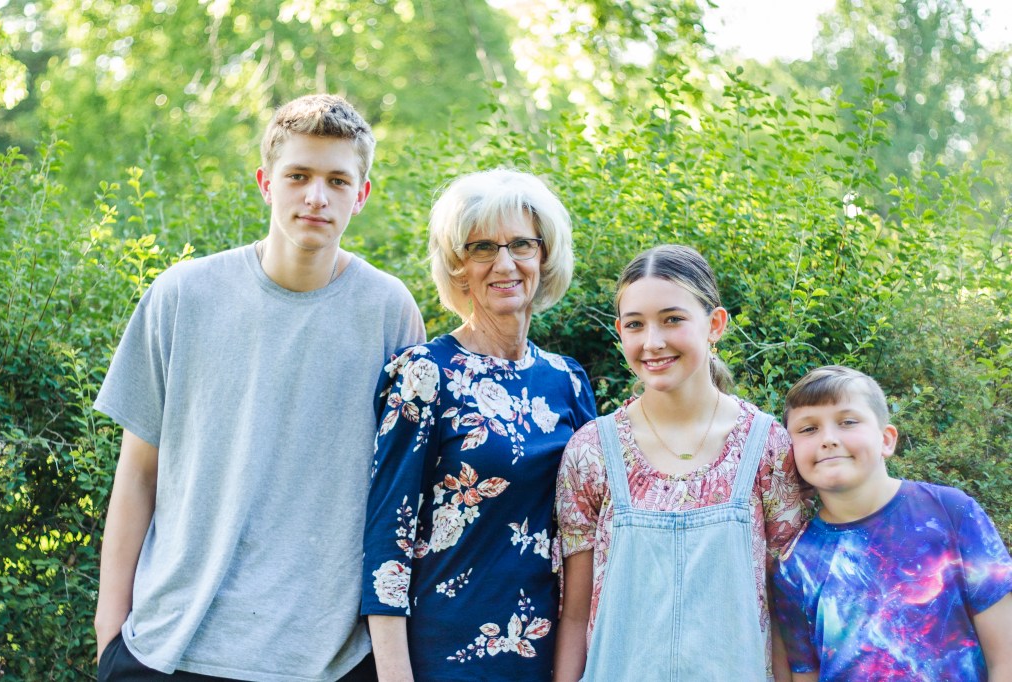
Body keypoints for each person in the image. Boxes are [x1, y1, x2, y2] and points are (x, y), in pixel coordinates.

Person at [93, 94, 426, 681]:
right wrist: (108, 637)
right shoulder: (181, 296)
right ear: (266, 183)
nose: (316, 197)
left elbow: (398, 494)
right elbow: (138, 473)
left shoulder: (389, 312)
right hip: (170, 647)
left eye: (337, 181)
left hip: (323, 659)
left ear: (362, 194)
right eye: (298, 176)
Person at [360, 168, 597, 681]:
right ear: (458, 266)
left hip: (550, 656)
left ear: (544, 254)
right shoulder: (425, 374)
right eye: (483, 247)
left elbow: (592, 535)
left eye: (521, 245)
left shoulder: (569, 382)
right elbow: (387, 542)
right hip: (444, 656)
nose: (505, 263)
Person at [552, 244, 809, 682]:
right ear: (620, 332)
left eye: (672, 319)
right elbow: (575, 616)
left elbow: (783, 606)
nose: (653, 342)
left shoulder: (767, 446)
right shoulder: (592, 450)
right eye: (635, 325)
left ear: (715, 324)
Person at [773, 365, 1012, 680]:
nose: (828, 439)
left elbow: (1005, 657)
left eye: (847, 422)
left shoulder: (951, 512)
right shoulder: (795, 565)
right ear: (790, 453)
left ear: (886, 439)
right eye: (808, 429)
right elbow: (806, 673)